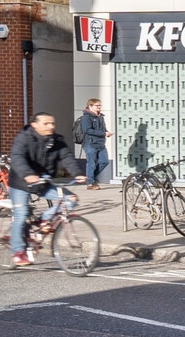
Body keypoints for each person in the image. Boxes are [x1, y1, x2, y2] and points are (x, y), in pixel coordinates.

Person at [7, 112, 84, 267]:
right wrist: (28, 174)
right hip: (21, 183)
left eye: (52, 123)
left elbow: (67, 157)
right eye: (46, 123)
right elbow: (17, 157)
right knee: (21, 215)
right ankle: (18, 252)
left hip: (43, 182)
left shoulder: (57, 140)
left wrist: (78, 173)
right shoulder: (24, 137)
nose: (51, 126)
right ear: (34, 125)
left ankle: (44, 219)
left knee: (70, 200)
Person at [74, 99, 109, 189]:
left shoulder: (100, 116)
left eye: (100, 105)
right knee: (91, 163)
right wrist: (103, 134)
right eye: (97, 106)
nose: (99, 107)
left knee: (104, 161)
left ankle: (91, 178)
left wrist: (106, 132)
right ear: (90, 106)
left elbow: (102, 129)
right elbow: (87, 130)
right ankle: (90, 183)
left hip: (100, 143)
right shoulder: (86, 117)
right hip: (90, 143)